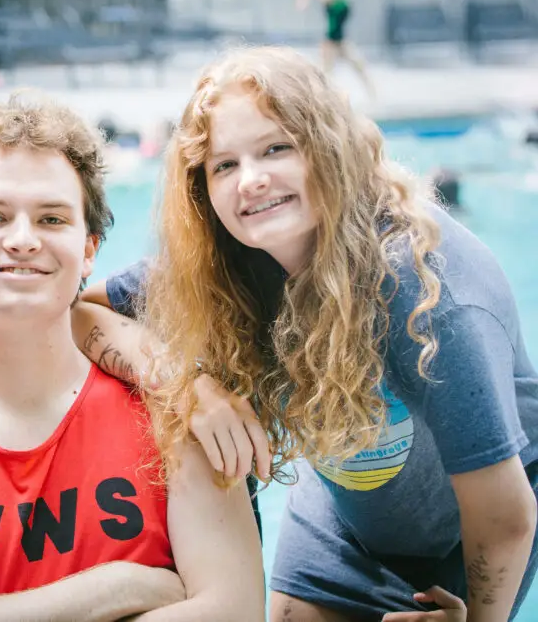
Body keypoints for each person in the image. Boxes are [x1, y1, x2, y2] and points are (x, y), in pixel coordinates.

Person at [72, 46, 538, 621]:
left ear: (329, 147)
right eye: (224, 165)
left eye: (276, 148)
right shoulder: (233, 262)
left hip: (467, 535)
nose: (252, 181)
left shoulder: (423, 291)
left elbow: (506, 514)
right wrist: (189, 387)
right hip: (345, 516)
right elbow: (85, 312)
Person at [0, 95, 264, 621]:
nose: (22, 240)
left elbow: (234, 612)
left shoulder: (174, 409)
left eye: (52, 218)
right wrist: (116, 588)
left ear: (89, 249)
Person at [296, 0, 374, 99]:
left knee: (328, 49)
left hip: (339, 5)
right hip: (329, 6)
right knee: (343, 49)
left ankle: (324, 95)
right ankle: (369, 87)